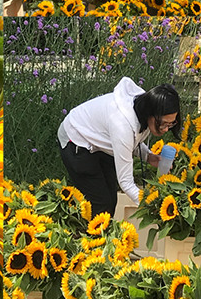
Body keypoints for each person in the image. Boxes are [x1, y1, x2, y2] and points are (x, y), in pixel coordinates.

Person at [58, 79, 179, 218]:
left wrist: (148, 156)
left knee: (110, 198)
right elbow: (126, 183)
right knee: (100, 203)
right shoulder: (122, 125)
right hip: (76, 139)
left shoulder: (145, 106)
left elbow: (132, 139)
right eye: (163, 123)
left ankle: (99, 235)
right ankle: (88, 237)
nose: (165, 129)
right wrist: (154, 207)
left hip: (99, 140)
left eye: (171, 124)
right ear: (150, 113)